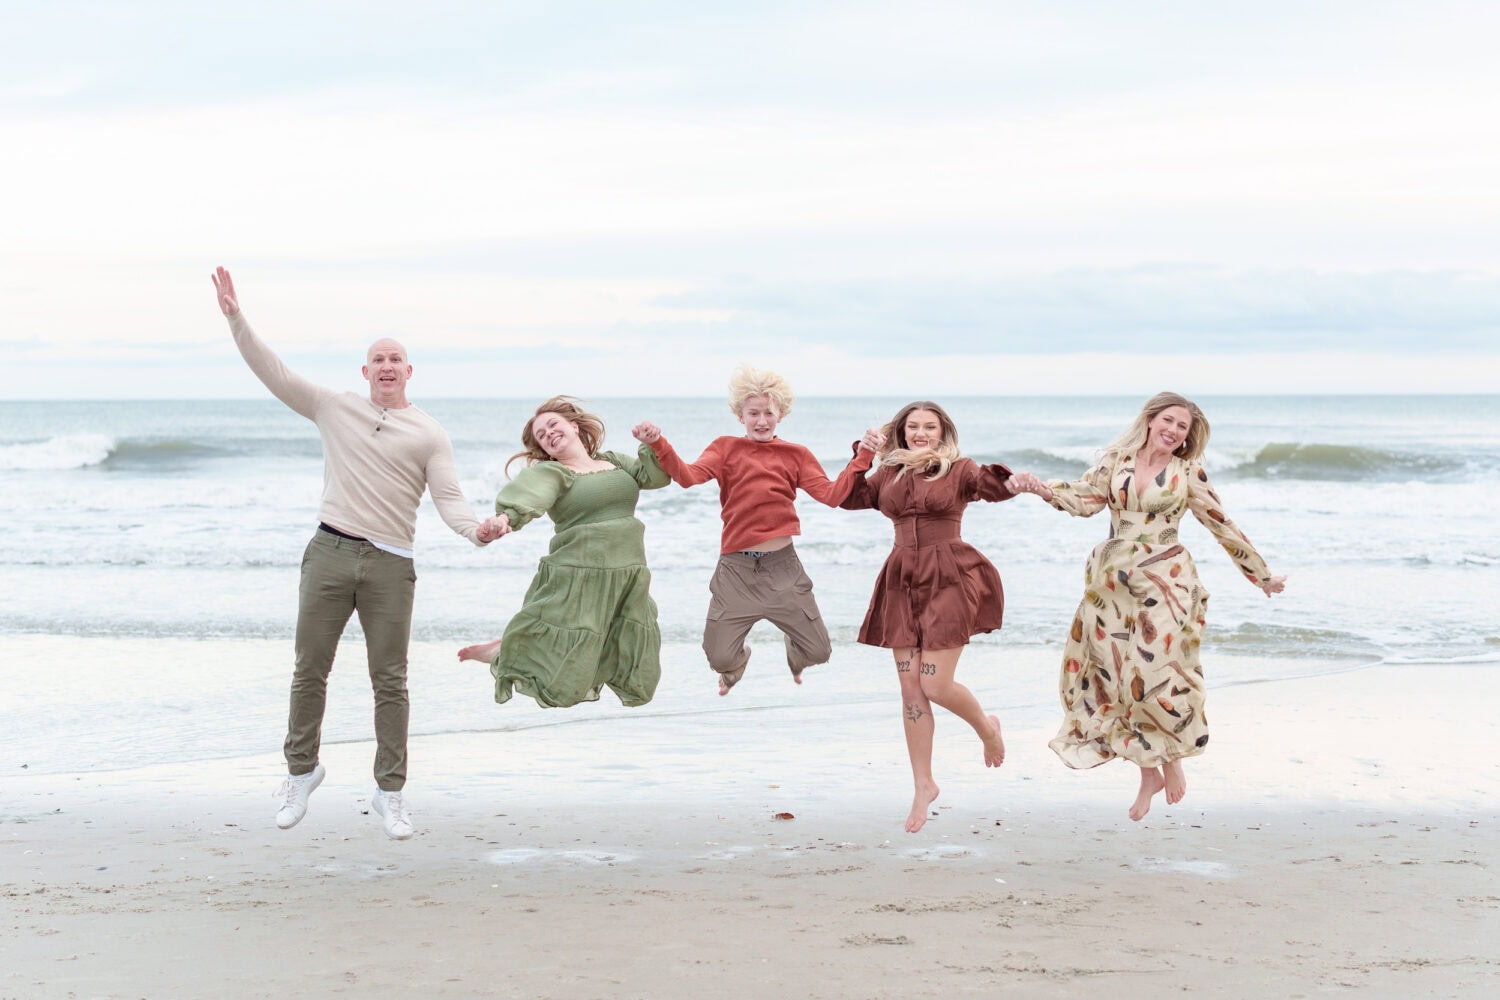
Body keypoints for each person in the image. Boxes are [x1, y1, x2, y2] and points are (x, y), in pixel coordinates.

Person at [211, 266, 503, 841]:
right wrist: (236, 319)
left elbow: (449, 499)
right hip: (329, 551)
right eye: (378, 358)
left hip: (392, 566)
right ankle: (301, 773)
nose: (387, 365)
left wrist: (477, 532)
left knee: (390, 680)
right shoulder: (332, 406)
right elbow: (273, 372)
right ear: (365, 371)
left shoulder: (429, 433)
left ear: (409, 371)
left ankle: (390, 793)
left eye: (397, 358)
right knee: (308, 669)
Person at [1006, 391, 1286, 821]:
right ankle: (1147, 773)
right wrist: (1042, 489)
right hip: (1111, 581)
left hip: (1167, 580)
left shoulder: (1187, 471)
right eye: (1168, 421)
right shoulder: (1115, 460)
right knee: (1117, 678)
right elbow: (1085, 499)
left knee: (1154, 670)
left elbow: (1220, 523)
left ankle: (1170, 762)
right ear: (1151, 420)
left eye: (1183, 428)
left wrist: (1260, 575)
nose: (1173, 431)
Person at [630, 366, 884, 695]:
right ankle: (736, 665)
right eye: (753, 413)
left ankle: (794, 648)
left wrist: (865, 454)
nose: (761, 421)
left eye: (768, 413)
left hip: (784, 568)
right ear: (740, 415)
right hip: (736, 571)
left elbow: (832, 496)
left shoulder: (797, 455)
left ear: (781, 414)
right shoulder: (724, 448)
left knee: (819, 652)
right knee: (719, 657)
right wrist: (658, 443)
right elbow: (688, 476)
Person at [839, 401, 1014, 833]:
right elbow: (848, 496)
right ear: (901, 432)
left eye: (929, 426)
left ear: (942, 431)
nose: (920, 433)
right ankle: (923, 784)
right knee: (910, 687)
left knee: (934, 684)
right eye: (913, 426)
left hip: (949, 577)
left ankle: (986, 728)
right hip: (902, 580)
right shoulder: (889, 474)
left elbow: (989, 486)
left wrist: (1013, 482)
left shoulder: (958, 469)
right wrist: (863, 455)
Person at [457, 397, 670, 709]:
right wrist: (503, 520)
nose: (548, 434)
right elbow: (529, 498)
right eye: (542, 435)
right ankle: (504, 652)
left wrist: (654, 442)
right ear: (544, 449)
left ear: (574, 426)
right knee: (564, 680)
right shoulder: (553, 473)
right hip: (577, 573)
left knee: (639, 672)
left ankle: (507, 647)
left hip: (629, 573)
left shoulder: (614, 461)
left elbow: (656, 476)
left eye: (552, 425)